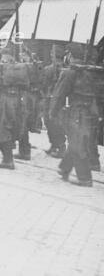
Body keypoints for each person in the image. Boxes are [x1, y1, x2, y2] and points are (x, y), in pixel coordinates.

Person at [50, 45, 104, 187]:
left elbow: (59, 95)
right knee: (78, 140)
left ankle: (84, 178)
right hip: (91, 113)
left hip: (76, 112)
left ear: (70, 56)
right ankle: (64, 168)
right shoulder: (93, 72)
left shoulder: (70, 72)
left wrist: (53, 112)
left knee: (78, 144)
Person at [0, 43, 29, 169]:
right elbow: (26, 85)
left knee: (1, 129)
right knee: (13, 126)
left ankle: (7, 159)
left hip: (3, 100)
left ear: (2, 55)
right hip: (18, 101)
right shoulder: (21, 67)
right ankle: (10, 156)